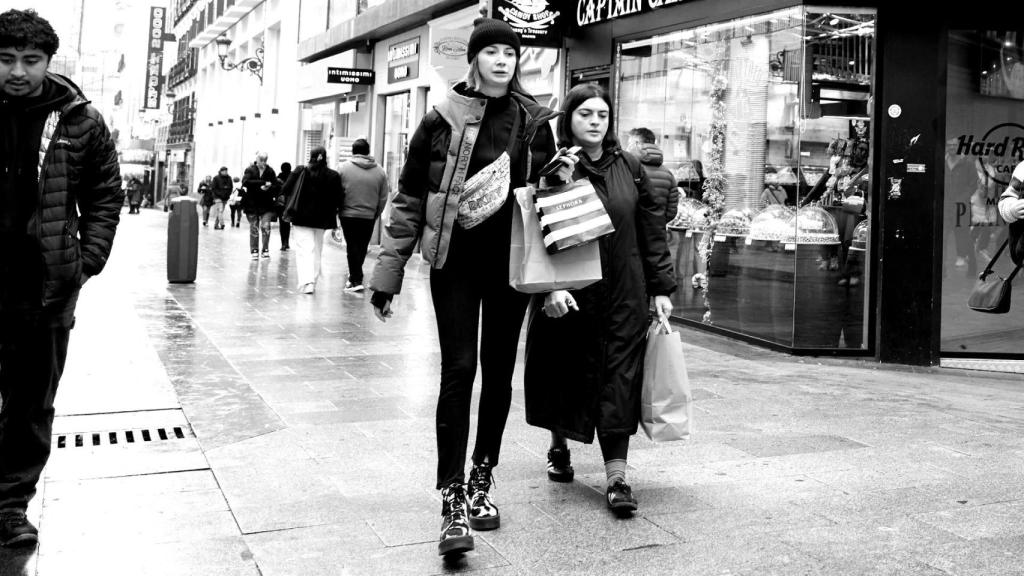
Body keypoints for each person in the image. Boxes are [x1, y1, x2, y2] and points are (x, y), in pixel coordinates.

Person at [368, 17, 556, 557]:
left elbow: (547, 197)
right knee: (459, 371)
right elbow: (406, 198)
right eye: (492, 51)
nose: (502, 60)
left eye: (510, 52)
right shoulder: (440, 117)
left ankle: (481, 482)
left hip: (510, 267)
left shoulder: (533, 121)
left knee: (498, 376)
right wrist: (388, 273)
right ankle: (451, 498)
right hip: (455, 263)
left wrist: (555, 278)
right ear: (474, 59)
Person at [523, 83, 675, 517]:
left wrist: (661, 288)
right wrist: (550, 288)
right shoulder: (555, 168)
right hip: (571, 291)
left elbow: (652, 232)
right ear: (569, 118)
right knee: (564, 371)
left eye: (602, 115)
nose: (594, 121)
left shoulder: (630, 166)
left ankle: (617, 476)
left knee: (620, 377)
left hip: (625, 290)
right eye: (585, 113)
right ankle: (558, 445)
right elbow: (537, 235)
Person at [0, 8, 123, 547]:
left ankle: (8, 506)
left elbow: (105, 195)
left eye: (30, 60)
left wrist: (85, 262)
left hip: (43, 287)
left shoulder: (79, 118)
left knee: (30, 404)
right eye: (5, 60)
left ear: (49, 61)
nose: (18, 71)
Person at [279, 147, 342, 294]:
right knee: (317, 249)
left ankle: (307, 281)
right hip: (322, 220)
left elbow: (285, 189)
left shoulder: (300, 171)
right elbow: (338, 198)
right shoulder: (333, 175)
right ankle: (312, 281)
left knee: (304, 250)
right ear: (325, 157)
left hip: (301, 217)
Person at [338, 138, 389, 292]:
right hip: (368, 216)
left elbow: (337, 192)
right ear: (368, 152)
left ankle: (355, 279)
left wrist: (338, 210)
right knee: (361, 246)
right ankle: (355, 277)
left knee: (352, 246)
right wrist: (376, 213)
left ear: (353, 151)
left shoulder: (342, 168)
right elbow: (383, 196)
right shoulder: (380, 171)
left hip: (348, 214)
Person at [627, 127, 679, 225]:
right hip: (657, 233)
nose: (627, 148)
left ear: (637, 143)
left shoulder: (628, 169)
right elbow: (671, 211)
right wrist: (657, 223)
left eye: (629, 143)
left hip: (632, 234)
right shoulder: (668, 174)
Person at [241, 152, 278, 259]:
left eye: (265, 160)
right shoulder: (250, 170)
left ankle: (265, 249)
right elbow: (245, 182)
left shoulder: (270, 171)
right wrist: (262, 183)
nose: (263, 163)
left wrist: (269, 187)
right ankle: (254, 250)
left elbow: (276, 185)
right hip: (252, 203)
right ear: (257, 160)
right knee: (254, 227)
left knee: (265, 226)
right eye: (261, 160)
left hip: (267, 204)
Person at [276, 162, 293, 250]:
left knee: (282, 223)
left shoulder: (278, 178)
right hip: (290, 203)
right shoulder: (293, 178)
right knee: (287, 223)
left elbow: (276, 191)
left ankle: (283, 243)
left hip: (280, 204)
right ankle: (287, 242)